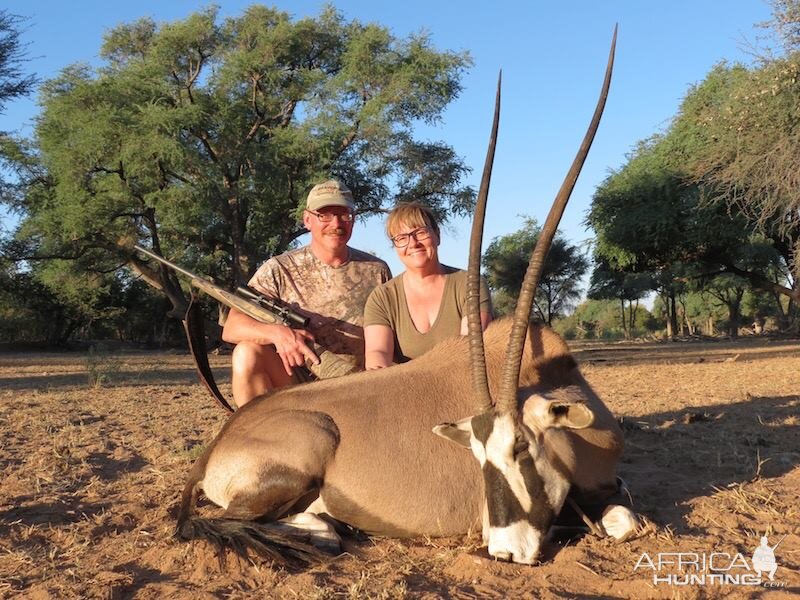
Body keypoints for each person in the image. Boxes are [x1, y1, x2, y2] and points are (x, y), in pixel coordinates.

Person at [222, 179, 391, 407]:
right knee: (246, 353)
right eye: (325, 215)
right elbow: (232, 327)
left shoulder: (377, 270)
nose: (336, 223)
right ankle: (259, 439)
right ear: (307, 219)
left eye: (344, 214)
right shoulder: (277, 269)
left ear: (354, 219)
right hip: (296, 385)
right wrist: (277, 333)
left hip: (362, 387)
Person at [363, 202, 492, 370]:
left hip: (462, 384)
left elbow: (469, 350)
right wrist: (378, 373)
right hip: (406, 389)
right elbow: (377, 352)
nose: (413, 243)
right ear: (395, 246)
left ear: (437, 235)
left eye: (421, 232)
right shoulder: (382, 298)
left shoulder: (470, 284)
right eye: (401, 238)